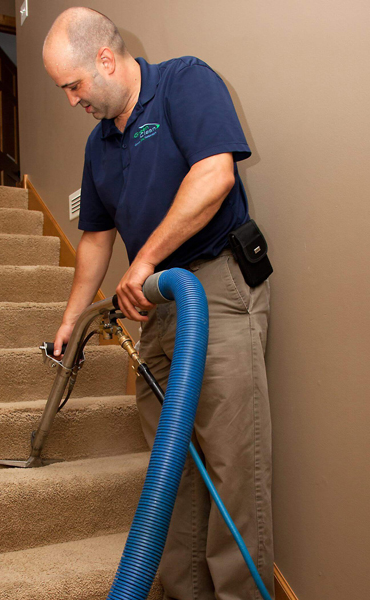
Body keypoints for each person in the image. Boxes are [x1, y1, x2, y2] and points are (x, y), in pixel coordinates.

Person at [43, 7, 274, 600]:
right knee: (172, 470)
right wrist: (72, 316)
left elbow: (215, 173)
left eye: (73, 86)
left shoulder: (183, 81)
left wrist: (143, 261)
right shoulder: (100, 145)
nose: (72, 100)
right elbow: (95, 237)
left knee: (230, 462)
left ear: (104, 59)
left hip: (214, 288)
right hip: (155, 309)